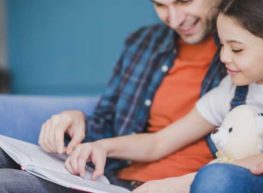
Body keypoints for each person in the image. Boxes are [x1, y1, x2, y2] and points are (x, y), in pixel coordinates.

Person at [0, 0, 226, 192]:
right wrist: (77, 120)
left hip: (167, 184)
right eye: (159, 4)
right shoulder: (143, 42)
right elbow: (109, 123)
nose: (174, 20)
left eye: (184, 1)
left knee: (7, 183)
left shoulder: (243, 54)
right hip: (107, 178)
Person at [189, 0, 263, 193]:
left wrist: (182, 182)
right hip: (230, 180)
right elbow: (158, 142)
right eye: (221, 45)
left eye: (237, 49)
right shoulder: (230, 90)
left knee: (215, 178)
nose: (223, 57)